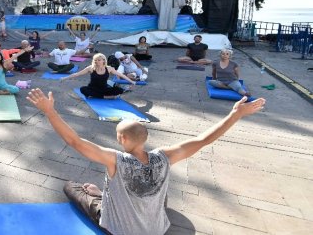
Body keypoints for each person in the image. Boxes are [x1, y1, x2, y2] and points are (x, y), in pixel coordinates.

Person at [26, 89, 265, 235]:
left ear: (122, 138)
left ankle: (96, 196)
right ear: (146, 137)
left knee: (73, 187)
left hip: (118, 230)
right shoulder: (165, 156)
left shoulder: (115, 160)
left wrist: (50, 111)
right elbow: (203, 139)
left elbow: (75, 141)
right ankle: (101, 193)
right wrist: (235, 114)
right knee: (156, 192)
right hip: (159, 229)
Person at [61, 53, 135, 99]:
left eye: (99, 60)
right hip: (92, 88)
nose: (97, 61)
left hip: (104, 88)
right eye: (95, 60)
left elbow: (121, 75)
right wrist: (65, 78)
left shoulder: (109, 69)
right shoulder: (91, 68)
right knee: (83, 89)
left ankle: (101, 96)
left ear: (103, 60)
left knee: (119, 90)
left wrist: (131, 81)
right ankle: (106, 97)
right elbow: (77, 74)